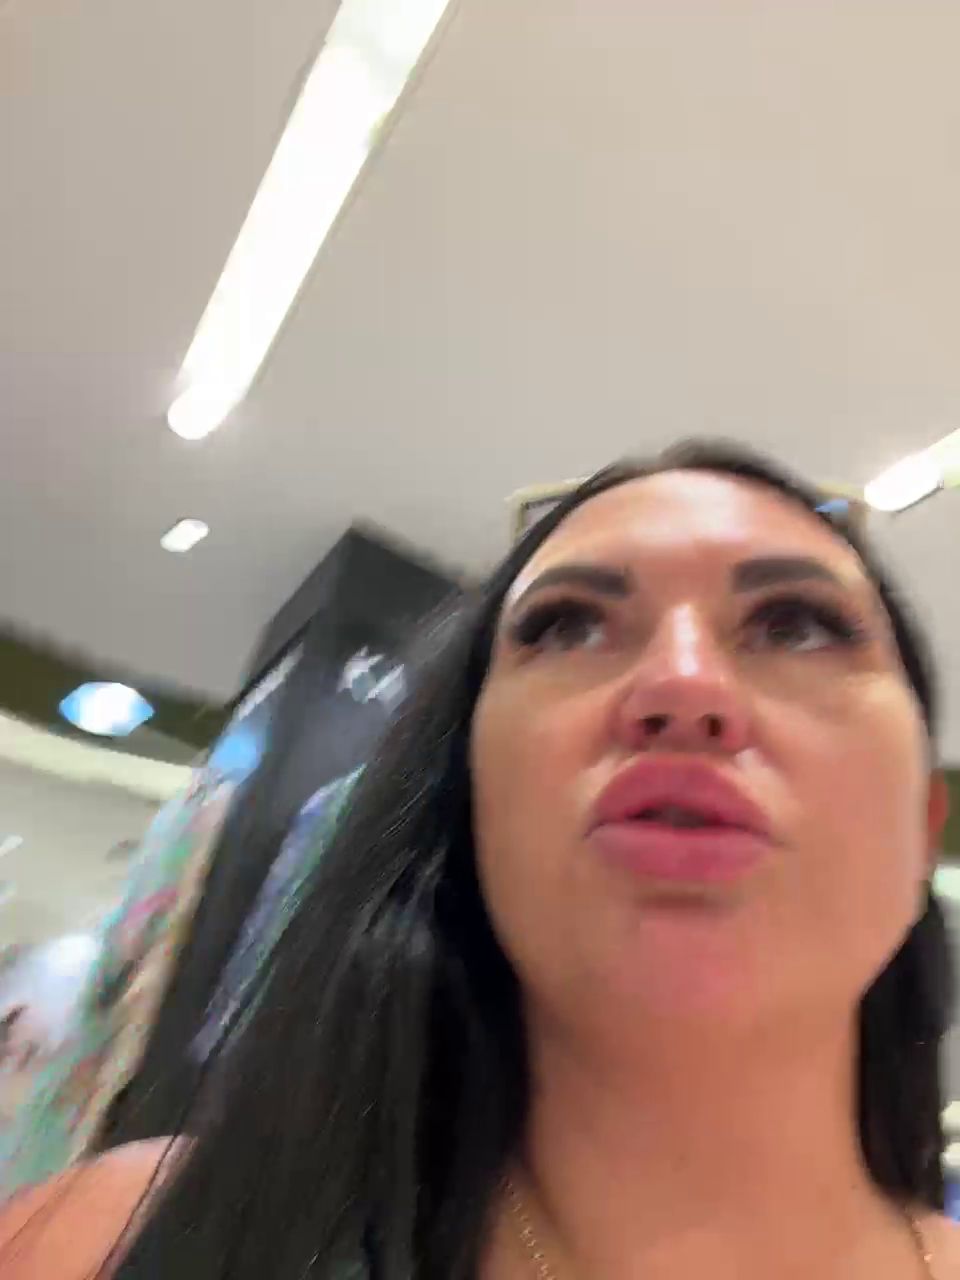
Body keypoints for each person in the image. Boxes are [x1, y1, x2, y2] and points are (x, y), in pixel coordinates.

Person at [1, 439, 958, 1279]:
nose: (681, 684)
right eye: (566, 625)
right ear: (468, 794)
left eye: (797, 625)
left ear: (922, 827)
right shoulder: (93, 1244)